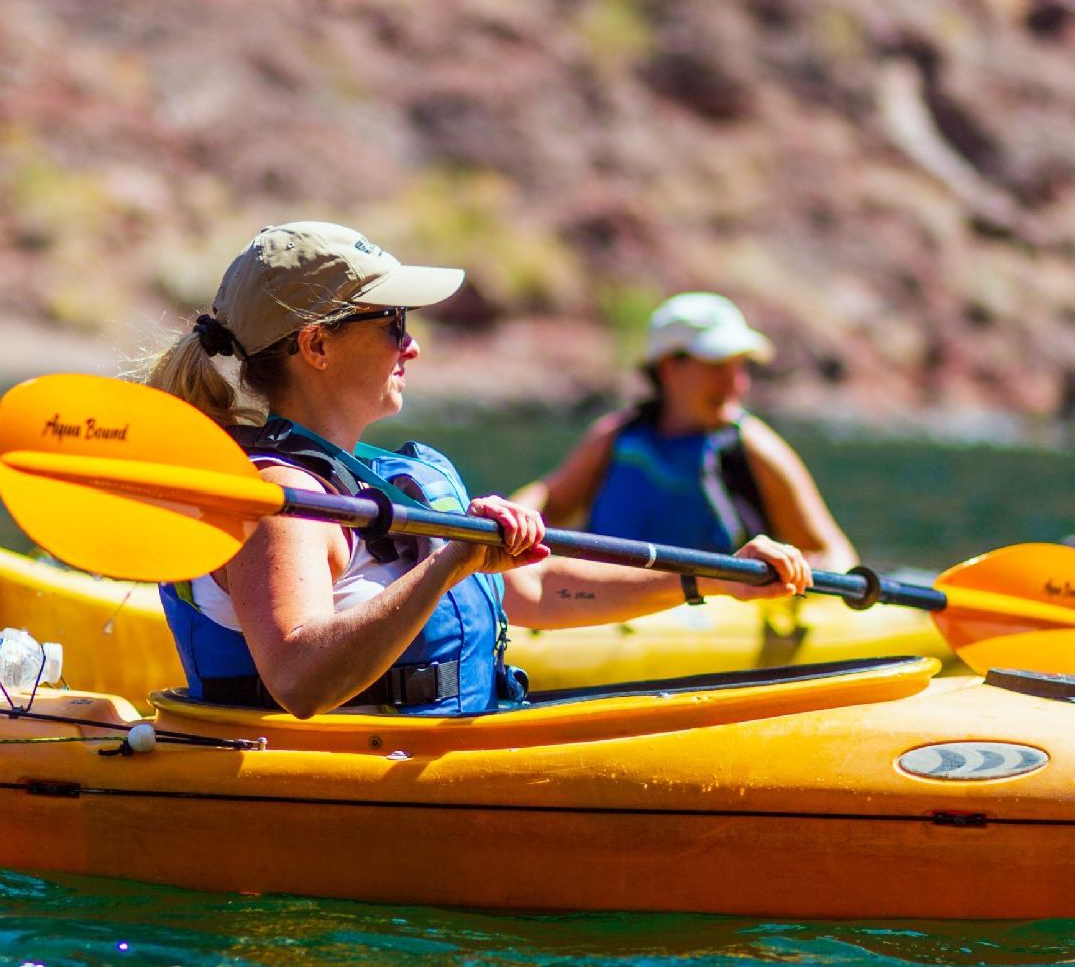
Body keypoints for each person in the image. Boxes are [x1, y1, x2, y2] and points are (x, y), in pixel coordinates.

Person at [146, 222, 810, 719]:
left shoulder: (370, 478)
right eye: (392, 323)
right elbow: (297, 677)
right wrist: (448, 563)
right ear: (316, 344)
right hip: (337, 777)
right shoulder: (280, 496)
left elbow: (529, 589)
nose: (412, 344)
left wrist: (710, 578)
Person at [515, 292, 857, 572]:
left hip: (721, 621)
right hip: (606, 613)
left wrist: (799, 579)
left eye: (740, 367)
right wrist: (510, 521)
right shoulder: (615, 436)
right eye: (716, 366)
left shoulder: (753, 447)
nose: (736, 383)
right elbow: (550, 499)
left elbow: (833, 553)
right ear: (667, 367)